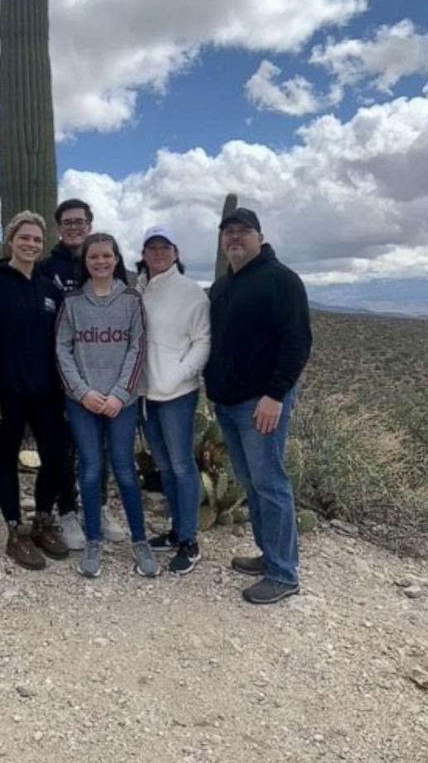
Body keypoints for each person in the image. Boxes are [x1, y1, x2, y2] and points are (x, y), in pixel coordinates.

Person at [204, 207, 312, 604]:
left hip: (260, 403)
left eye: (242, 231)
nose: (234, 238)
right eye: (228, 232)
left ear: (259, 237)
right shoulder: (223, 286)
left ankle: (284, 575)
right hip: (227, 404)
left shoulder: (281, 280)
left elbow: (298, 342)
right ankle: (270, 557)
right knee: (252, 483)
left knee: (270, 483)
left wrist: (275, 396)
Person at [0, 211, 70, 571]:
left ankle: (43, 518)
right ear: (10, 240)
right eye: (24, 237)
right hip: (7, 392)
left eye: (37, 240)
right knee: (7, 456)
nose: (30, 244)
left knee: (56, 456)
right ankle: (15, 529)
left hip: (47, 392)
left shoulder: (49, 289)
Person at [56, 232, 160, 579]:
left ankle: (140, 541)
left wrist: (119, 393)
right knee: (88, 468)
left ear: (116, 259)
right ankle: (93, 542)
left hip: (122, 403)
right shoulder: (72, 302)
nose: (100, 262)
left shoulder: (131, 300)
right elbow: (62, 349)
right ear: (84, 263)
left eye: (107, 256)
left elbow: (137, 348)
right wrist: (82, 391)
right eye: (93, 257)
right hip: (82, 401)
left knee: (125, 470)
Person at [40, 198, 125, 547]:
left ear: (90, 225)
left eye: (80, 221)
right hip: (55, 371)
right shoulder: (47, 268)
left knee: (99, 447)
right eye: (67, 222)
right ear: (59, 227)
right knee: (62, 447)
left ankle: (99, 508)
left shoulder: (104, 261)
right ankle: (67, 512)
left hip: (99, 371)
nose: (74, 227)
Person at [135, 225, 210, 574]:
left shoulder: (191, 292)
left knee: (182, 465)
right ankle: (176, 530)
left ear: (176, 253)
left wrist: (176, 376)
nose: (158, 253)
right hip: (147, 394)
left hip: (177, 393)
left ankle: (189, 539)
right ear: (144, 254)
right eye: (152, 248)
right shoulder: (141, 290)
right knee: (164, 465)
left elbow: (202, 342)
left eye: (164, 247)